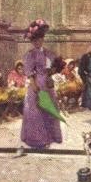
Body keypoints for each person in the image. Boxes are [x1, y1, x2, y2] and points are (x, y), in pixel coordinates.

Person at [20, 19, 63, 149]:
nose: (37, 42)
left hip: (47, 84)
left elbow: (54, 66)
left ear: (43, 39)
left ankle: (51, 136)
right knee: (37, 110)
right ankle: (38, 140)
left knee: (49, 109)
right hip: (37, 84)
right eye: (35, 40)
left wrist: (53, 73)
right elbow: (29, 73)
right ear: (32, 41)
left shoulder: (48, 53)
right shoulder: (30, 54)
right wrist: (35, 88)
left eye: (39, 39)